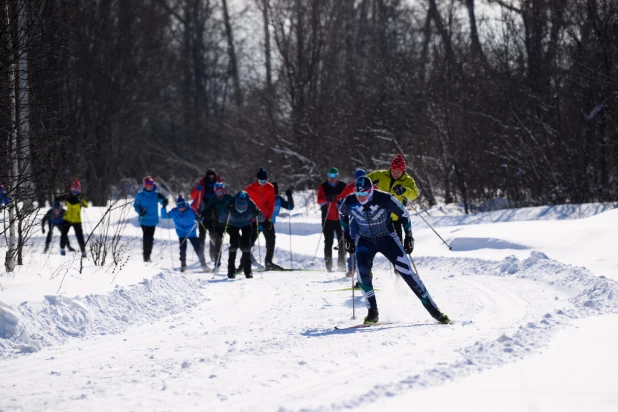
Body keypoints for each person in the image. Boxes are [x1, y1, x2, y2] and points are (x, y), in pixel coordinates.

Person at [339, 176, 450, 325]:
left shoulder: (384, 198)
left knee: (406, 272)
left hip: (387, 239)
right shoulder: (350, 201)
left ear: (371, 190)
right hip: (365, 239)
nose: (360, 197)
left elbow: (404, 214)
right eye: (358, 194)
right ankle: (372, 313)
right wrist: (347, 238)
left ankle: (434, 311)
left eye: (364, 194)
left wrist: (409, 236)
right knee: (362, 271)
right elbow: (342, 214)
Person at [366, 154, 419, 242]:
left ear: (403, 171)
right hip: (379, 216)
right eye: (393, 171)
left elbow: (414, 194)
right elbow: (364, 181)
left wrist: (404, 190)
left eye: (398, 172)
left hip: (395, 218)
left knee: (397, 246)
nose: (395, 174)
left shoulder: (408, 181)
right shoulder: (381, 175)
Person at [219, 191, 264, 279]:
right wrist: (226, 211)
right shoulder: (231, 202)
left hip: (246, 224)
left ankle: (248, 272)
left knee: (246, 247)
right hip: (233, 224)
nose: (240, 212)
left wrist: (258, 213)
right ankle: (231, 272)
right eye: (238, 210)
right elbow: (221, 219)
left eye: (243, 210)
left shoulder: (251, 204)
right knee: (233, 246)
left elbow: (261, 219)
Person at [245, 167, 283, 270]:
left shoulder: (270, 187)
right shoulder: (249, 189)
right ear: (257, 179)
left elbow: (271, 204)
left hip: (265, 218)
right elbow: (245, 203)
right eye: (262, 181)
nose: (264, 183)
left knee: (271, 238)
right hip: (253, 219)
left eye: (265, 180)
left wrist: (269, 218)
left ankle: (268, 262)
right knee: (250, 241)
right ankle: (244, 263)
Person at [162, 195, 208, 272]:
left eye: (183, 206)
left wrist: (199, 218)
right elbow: (164, 216)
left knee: (198, 249)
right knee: (182, 250)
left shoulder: (190, 210)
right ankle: (183, 265)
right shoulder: (174, 212)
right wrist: (163, 207)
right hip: (181, 234)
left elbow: (200, 219)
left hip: (192, 233)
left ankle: (203, 264)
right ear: (177, 206)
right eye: (180, 207)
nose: (182, 208)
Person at [317, 167, 347, 272]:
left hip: (340, 218)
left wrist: (338, 198)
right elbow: (319, 201)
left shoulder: (343, 186)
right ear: (328, 176)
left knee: (342, 241)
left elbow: (347, 198)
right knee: (328, 242)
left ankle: (341, 264)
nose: (332, 178)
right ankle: (329, 265)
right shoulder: (323, 187)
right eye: (330, 176)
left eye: (334, 176)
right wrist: (327, 199)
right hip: (327, 218)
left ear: (337, 176)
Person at [340, 169, 369, 277]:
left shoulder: (371, 187)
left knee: (367, 246)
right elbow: (341, 199)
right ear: (354, 179)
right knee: (353, 243)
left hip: (368, 221)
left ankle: (366, 271)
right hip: (354, 220)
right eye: (358, 179)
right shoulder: (349, 188)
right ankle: (351, 268)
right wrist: (340, 202)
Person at [133, 176, 168, 262]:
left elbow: (163, 201)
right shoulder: (140, 195)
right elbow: (136, 205)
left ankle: (148, 256)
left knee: (151, 238)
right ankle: (146, 257)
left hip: (153, 220)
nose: (150, 186)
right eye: (148, 184)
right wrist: (140, 211)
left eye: (151, 184)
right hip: (144, 220)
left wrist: (164, 201)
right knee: (146, 238)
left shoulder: (156, 195)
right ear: (145, 185)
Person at [200, 182, 232, 270]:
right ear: (215, 192)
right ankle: (217, 264)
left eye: (221, 191)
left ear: (223, 191)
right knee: (218, 243)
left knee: (236, 241)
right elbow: (206, 210)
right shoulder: (213, 199)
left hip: (230, 223)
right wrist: (201, 215)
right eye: (217, 192)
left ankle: (246, 261)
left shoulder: (228, 198)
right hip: (218, 225)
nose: (219, 194)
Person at [190, 169, 222, 248]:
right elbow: (193, 196)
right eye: (209, 177)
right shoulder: (201, 184)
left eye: (212, 177)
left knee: (213, 233)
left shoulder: (219, 185)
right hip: (203, 212)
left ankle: (212, 252)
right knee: (202, 234)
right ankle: (201, 253)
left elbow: (223, 196)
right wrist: (197, 189)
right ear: (207, 177)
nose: (211, 178)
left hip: (214, 213)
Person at [56, 179, 88, 258]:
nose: (74, 192)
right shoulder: (68, 197)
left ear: (79, 190)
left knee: (79, 236)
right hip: (67, 219)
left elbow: (86, 205)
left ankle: (83, 251)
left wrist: (82, 200)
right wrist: (58, 198)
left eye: (76, 190)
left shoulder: (80, 198)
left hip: (77, 220)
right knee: (64, 234)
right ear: (71, 189)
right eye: (73, 190)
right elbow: (57, 199)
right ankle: (62, 249)